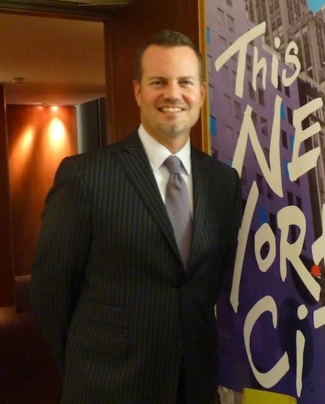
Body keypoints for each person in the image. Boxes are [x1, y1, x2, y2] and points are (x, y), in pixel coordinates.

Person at [29, 30, 242, 403]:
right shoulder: (86, 176)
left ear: (201, 93)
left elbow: (210, 281)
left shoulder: (223, 182)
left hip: (193, 385)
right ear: (138, 91)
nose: (173, 94)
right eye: (158, 82)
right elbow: (50, 292)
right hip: (107, 387)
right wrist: (83, 371)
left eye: (185, 82)